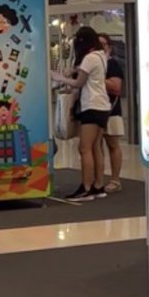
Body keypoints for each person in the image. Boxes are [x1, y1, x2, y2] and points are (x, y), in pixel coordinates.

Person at [53, 26, 111, 202]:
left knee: (84, 148)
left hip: (91, 106)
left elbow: (79, 83)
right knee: (96, 148)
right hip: (103, 106)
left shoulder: (89, 58)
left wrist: (58, 77)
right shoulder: (101, 57)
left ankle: (86, 188)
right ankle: (98, 185)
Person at [98, 33, 125, 193]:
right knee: (96, 145)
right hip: (95, 110)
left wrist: (95, 78)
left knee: (113, 144)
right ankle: (98, 178)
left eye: (104, 44)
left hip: (111, 110)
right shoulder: (91, 62)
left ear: (109, 47)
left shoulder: (112, 64)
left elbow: (116, 87)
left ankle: (115, 179)